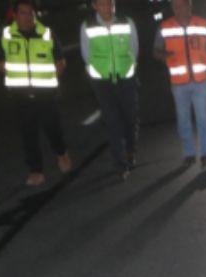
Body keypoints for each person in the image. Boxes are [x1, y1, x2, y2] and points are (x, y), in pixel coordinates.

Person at [0, 0, 71, 186]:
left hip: (45, 93)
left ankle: (61, 153)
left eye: (30, 13)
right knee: (28, 133)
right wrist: (17, 77)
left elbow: (60, 62)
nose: (27, 17)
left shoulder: (47, 34)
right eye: (23, 13)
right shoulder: (6, 35)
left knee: (52, 128)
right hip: (21, 94)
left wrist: (48, 79)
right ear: (15, 15)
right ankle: (36, 170)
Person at [153, 0, 206, 170]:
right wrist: (164, 55)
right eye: (175, 6)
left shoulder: (203, 24)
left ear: (190, 6)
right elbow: (155, 50)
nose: (179, 9)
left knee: (203, 118)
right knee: (183, 120)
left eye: (182, 5)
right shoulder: (165, 26)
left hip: (201, 80)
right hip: (179, 83)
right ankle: (189, 154)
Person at [81, 0, 139, 178]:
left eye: (110, 3)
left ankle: (130, 150)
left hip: (125, 78)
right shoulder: (87, 26)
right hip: (102, 82)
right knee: (112, 122)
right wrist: (98, 72)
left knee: (130, 118)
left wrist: (128, 68)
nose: (107, 7)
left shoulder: (127, 22)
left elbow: (134, 49)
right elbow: (86, 54)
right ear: (94, 5)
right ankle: (120, 163)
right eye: (102, 4)